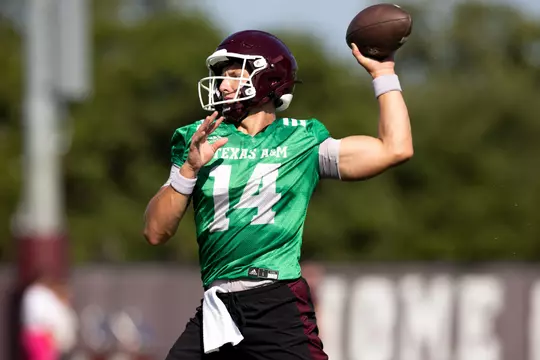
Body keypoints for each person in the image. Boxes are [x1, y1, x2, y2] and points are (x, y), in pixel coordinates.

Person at [143, 30, 412, 360]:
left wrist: (383, 74)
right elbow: (155, 232)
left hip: (276, 302)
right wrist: (188, 170)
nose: (222, 85)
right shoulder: (198, 138)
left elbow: (395, 148)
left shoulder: (302, 139)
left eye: (233, 75)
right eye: (220, 77)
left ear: (267, 78)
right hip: (218, 305)